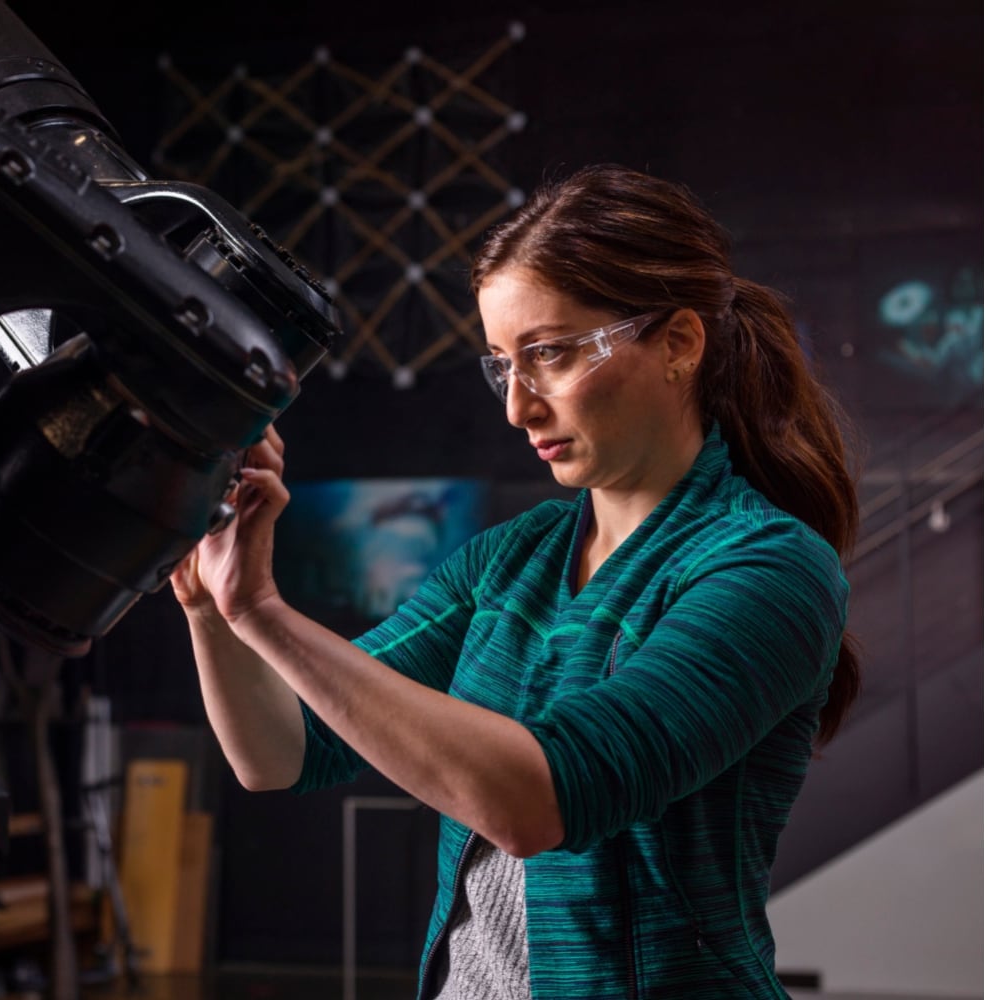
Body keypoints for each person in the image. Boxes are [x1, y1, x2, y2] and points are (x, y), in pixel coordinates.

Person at [171, 163, 860, 999]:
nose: (518, 407)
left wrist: (270, 615)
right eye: (503, 364)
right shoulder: (509, 563)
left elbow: (544, 798)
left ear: (678, 343)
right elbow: (283, 754)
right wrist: (220, 608)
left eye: (551, 355)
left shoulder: (769, 569)